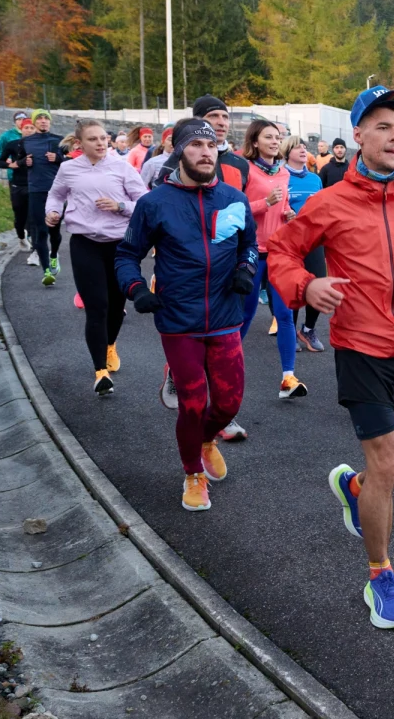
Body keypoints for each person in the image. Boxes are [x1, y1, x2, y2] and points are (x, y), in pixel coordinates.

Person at [267, 84, 394, 628]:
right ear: (357, 135)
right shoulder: (329, 202)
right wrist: (305, 287)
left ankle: (352, 490)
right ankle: (380, 575)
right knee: (384, 464)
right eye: (382, 126)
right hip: (362, 349)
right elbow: (281, 251)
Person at [115, 118, 257, 512]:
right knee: (193, 403)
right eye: (196, 145)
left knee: (228, 404)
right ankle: (192, 472)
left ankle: (206, 439)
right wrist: (137, 289)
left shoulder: (233, 198)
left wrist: (246, 270)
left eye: (211, 146)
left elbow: (249, 243)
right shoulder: (154, 204)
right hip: (179, 320)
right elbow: (127, 255)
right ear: (179, 151)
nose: (206, 152)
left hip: (227, 315)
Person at [157, 95, 253, 443]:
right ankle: (184, 379)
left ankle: (220, 411)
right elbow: (166, 218)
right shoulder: (170, 166)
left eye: (225, 117)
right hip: (183, 285)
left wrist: (244, 263)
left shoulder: (240, 165)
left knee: (228, 380)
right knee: (194, 399)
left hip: (227, 280)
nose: (221, 122)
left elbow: (242, 219)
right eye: (213, 117)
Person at [45, 119, 147, 395]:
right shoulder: (68, 168)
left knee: (116, 306)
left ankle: (110, 344)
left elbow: (145, 202)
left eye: (103, 138)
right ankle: (100, 371)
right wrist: (52, 212)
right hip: (84, 243)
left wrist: (120, 205)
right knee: (97, 306)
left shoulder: (122, 168)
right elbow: (55, 195)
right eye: (93, 139)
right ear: (80, 144)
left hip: (119, 245)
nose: (101, 143)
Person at [239, 119, 306, 399]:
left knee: (285, 315)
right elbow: (235, 207)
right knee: (245, 314)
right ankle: (223, 369)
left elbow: (284, 203)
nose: (275, 141)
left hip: (279, 250)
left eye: (278, 137)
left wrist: (288, 212)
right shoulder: (246, 169)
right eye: (268, 137)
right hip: (252, 250)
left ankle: (288, 379)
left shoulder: (282, 172)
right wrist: (263, 204)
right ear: (255, 141)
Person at [283, 135, 327, 353]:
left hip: (314, 240)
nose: (303, 150)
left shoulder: (315, 179)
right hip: (290, 242)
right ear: (287, 152)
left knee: (317, 285)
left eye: (304, 147)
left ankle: (308, 329)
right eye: (297, 147)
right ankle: (289, 331)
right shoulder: (280, 177)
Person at [23, 109, 66, 285]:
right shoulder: (25, 142)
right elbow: (15, 161)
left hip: (56, 191)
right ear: (34, 123)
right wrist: (23, 162)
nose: (43, 121)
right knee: (40, 231)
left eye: (46, 118)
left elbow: (70, 161)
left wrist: (58, 158)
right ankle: (47, 271)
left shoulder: (59, 140)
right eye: (39, 119)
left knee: (54, 231)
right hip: (35, 190)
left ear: (50, 122)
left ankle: (54, 254)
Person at [0, 118, 36, 259]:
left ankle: (35, 244)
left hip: (34, 185)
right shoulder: (12, 144)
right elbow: (0, 162)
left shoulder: (41, 146)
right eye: (26, 128)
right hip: (18, 184)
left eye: (32, 128)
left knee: (34, 215)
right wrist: (11, 165)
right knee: (19, 215)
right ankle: (21, 236)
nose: (29, 130)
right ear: (21, 129)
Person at [0, 110, 27, 192]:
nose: (21, 121)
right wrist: (5, 159)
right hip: (13, 173)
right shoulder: (7, 135)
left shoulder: (32, 133)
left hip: (30, 173)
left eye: (23, 119)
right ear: (15, 122)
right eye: (19, 119)